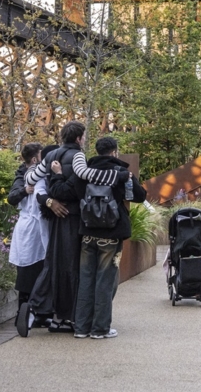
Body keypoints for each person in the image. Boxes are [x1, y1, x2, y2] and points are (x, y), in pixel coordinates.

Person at [22, 121, 129, 334]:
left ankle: (37, 307)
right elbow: (86, 175)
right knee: (75, 266)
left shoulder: (51, 156)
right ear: (79, 138)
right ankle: (70, 316)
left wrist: (48, 197)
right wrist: (119, 176)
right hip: (73, 217)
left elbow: (31, 178)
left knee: (53, 262)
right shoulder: (78, 155)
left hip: (55, 220)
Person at [73, 136, 147, 340]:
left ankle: (81, 328)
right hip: (111, 235)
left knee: (86, 280)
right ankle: (100, 329)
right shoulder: (121, 173)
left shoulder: (85, 173)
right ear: (115, 151)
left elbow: (77, 193)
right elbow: (140, 196)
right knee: (105, 281)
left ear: (97, 151)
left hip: (88, 233)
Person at [7, 142, 45, 326]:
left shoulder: (43, 173)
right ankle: (23, 312)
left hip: (39, 230)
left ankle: (39, 313)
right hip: (29, 230)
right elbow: (12, 197)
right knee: (26, 271)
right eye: (41, 155)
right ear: (34, 159)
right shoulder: (22, 176)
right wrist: (24, 190)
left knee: (39, 269)